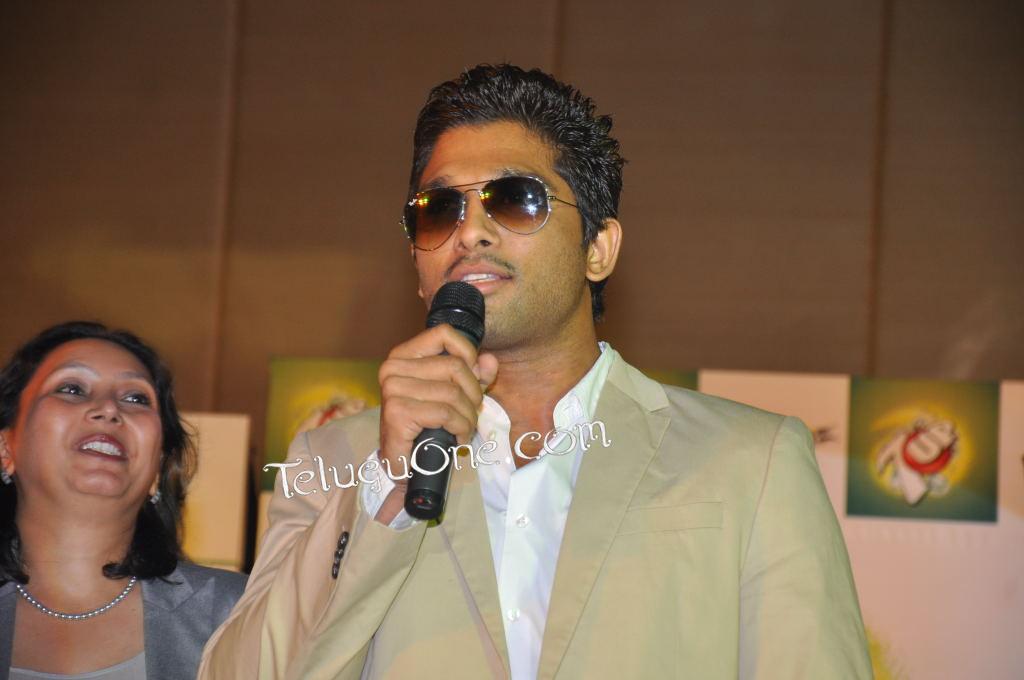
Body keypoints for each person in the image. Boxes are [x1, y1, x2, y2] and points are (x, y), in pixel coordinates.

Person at [199, 64, 871, 679]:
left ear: (598, 248)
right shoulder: (335, 463)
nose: (469, 232)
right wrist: (387, 490)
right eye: (439, 210)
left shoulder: (752, 461)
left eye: (516, 199)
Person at [0, 322, 247, 679]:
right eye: (72, 389)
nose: (108, 409)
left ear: (159, 465)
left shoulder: (235, 613)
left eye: (136, 398)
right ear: (6, 446)